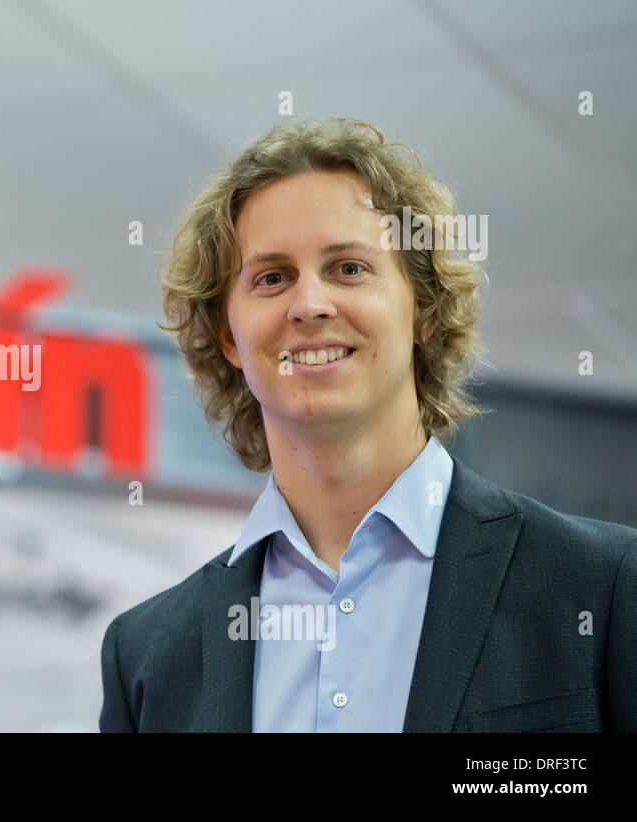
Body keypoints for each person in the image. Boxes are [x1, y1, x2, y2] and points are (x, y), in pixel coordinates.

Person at [99, 117, 637, 732]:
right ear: (228, 335)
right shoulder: (146, 656)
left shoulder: (602, 587)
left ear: (423, 310)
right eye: (272, 278)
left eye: (349, 268)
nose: (310, 305)